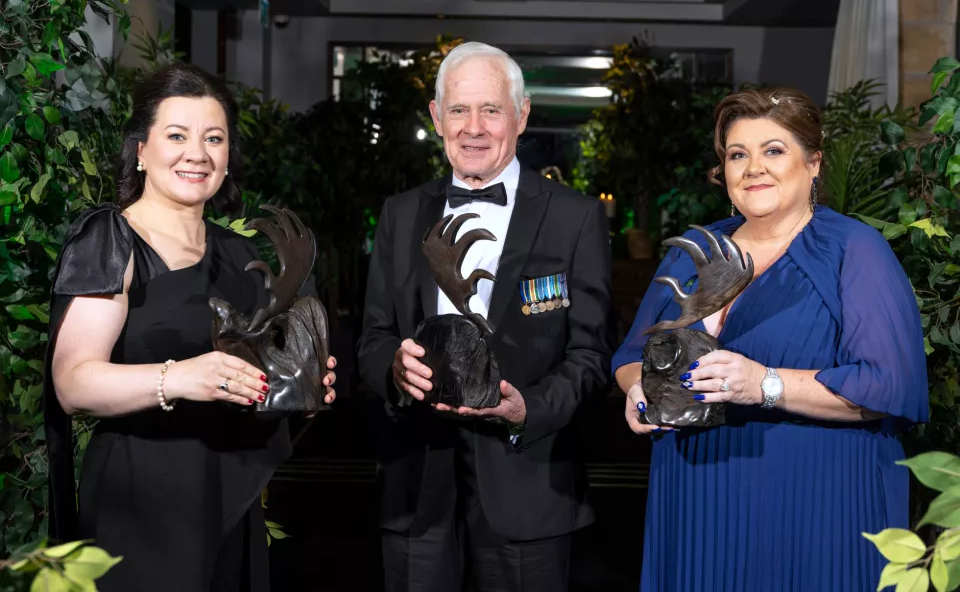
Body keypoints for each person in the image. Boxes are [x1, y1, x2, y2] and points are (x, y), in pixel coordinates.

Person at [613, 87, 929, 591]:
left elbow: (886, 384)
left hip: (816, 502)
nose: (753, 167)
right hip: (695, 494)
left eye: (773, 151)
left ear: (814, 163)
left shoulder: (853, 250)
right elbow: (633, 355)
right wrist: (637, 388)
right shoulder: (693, 249)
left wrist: (765, 383)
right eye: (738, 154)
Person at [42, 62, 337, 592]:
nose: (197, 153)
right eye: (176, 135)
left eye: (214, 138)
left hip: (229, 495)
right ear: (141, 149)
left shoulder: (241, 253)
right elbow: (73, 383)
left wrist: (296, 385)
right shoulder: (111, 240)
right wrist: (181, 378)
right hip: (140, 501)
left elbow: (251, 376)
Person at [358, 41, 614, 592]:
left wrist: (528, 410)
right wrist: (393, 372)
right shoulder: (400, 215)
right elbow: (373, 337)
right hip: (416, 481)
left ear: (521, 116)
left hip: (530, 483)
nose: (473, 128)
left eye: (490, 110)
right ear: (436, 116)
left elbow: (591, 357)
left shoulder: (576, 218)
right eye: (458, 110)